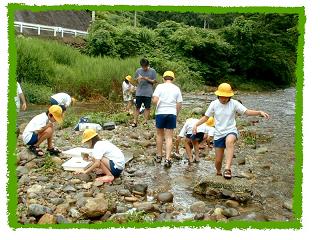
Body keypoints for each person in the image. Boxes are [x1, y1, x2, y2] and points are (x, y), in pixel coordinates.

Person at [192, 83, 270, 179]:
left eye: (226, 97)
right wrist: (196, 124)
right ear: (218, 95)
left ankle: (228, 169)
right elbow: (206, 117)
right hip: (218, 134)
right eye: (222, 97)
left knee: (229, 141)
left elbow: (246, 112)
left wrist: (259, 112)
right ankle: (219, 172)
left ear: (229, 96)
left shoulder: (234, 103)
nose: (224, 99)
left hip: (231, 130)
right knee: (218, 161)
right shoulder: (214, 104)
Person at [152, 71, 183, 168]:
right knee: (169, 137)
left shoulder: (159, 87)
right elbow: (179, 104)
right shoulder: (176, 88)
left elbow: (155, 100)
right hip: (171, 113)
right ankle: (168, 158)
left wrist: (156, 104)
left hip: (160, 113)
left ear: (163, 78)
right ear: (173, 79)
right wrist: (176, 114)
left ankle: (158, 156)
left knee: (159, 135)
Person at [131, 58, 157, 127]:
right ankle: (135, 121)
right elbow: (134, 81)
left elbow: (154, 81)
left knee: (147, 107)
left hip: (148, 92)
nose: (144, 68)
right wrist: (137, 79)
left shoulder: (152, 71)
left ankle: (145, 121)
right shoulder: (138, 70)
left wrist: (147, 79)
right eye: (143, 66)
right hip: (139, 92)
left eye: (145, 66)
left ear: (148, 65)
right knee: (137, 107)